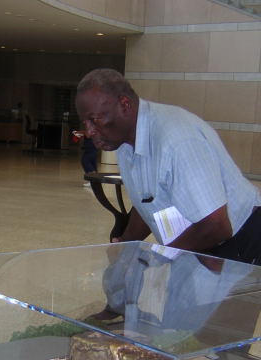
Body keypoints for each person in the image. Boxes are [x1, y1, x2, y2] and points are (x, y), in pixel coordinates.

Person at [76, 68, 261, 265]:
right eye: (85, 122)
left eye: (95, 120)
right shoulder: (124, 142)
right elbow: (148, 201)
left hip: (243, 244)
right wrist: (126, 246)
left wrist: (159, 257)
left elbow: (216, 227)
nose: (88, 131)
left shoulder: (177, 140)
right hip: (200, 246)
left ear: (124, 105)